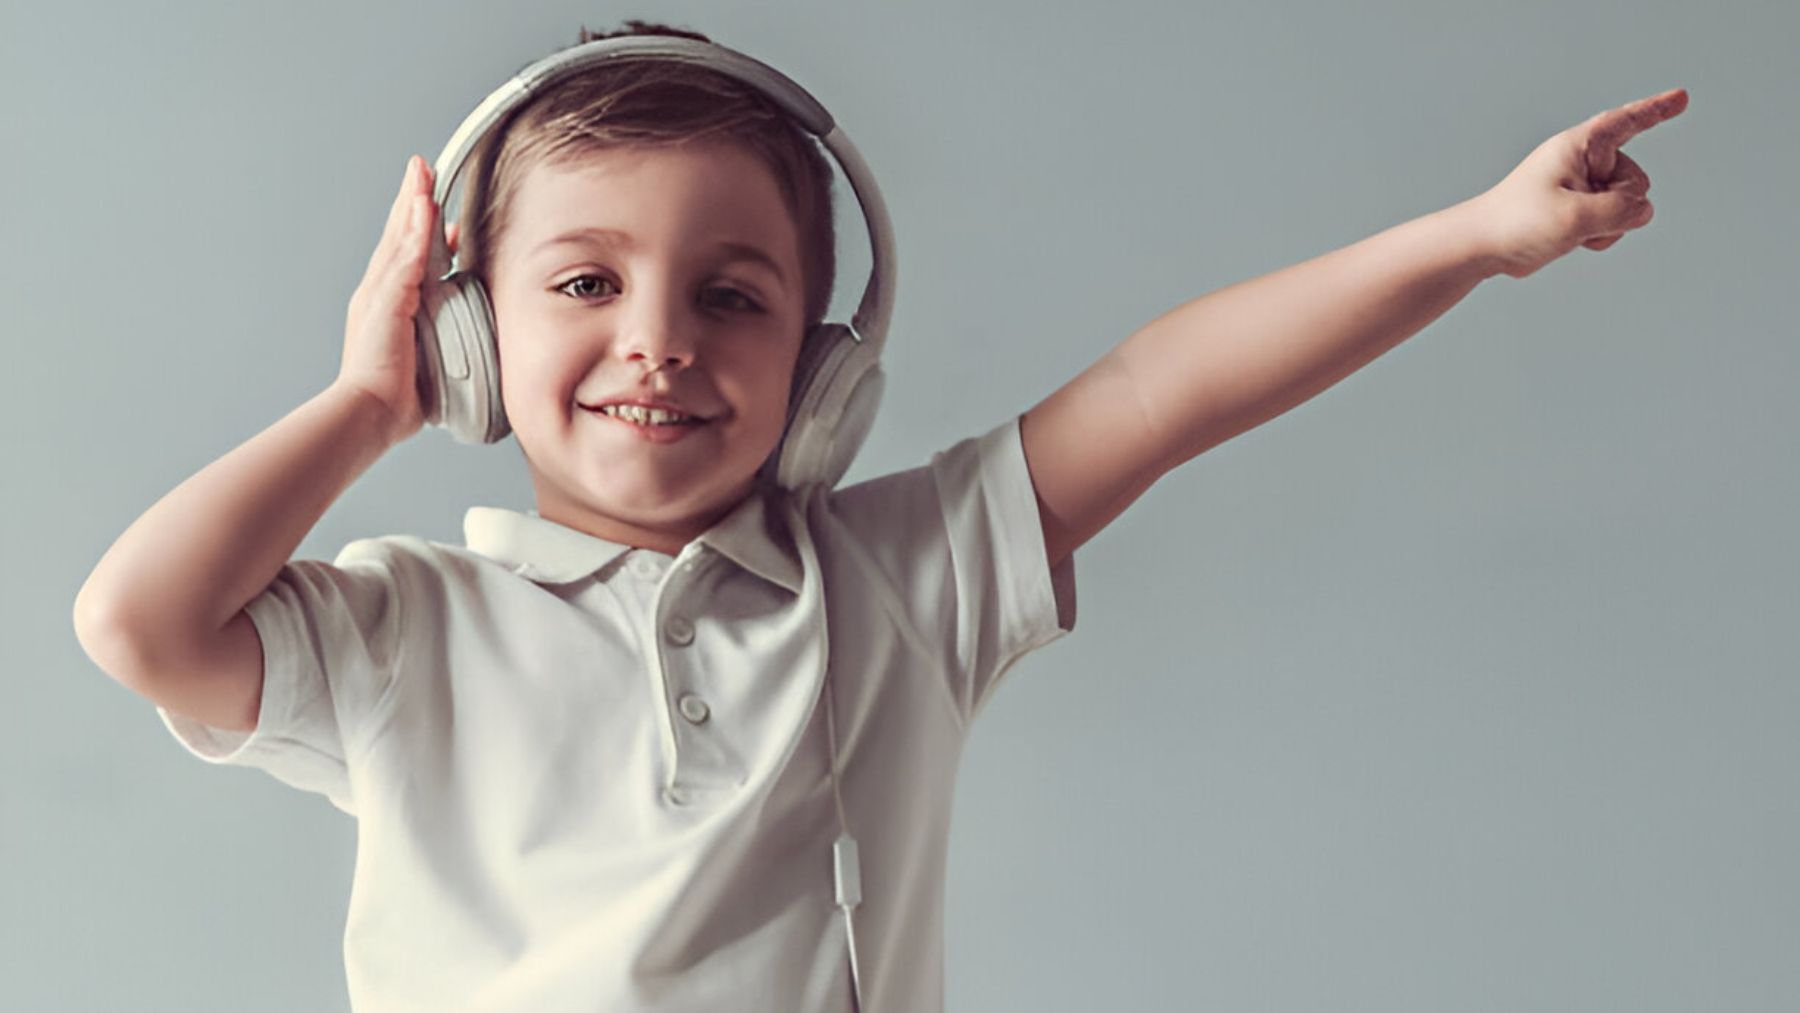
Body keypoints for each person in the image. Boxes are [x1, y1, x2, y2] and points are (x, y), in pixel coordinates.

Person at [69, 17, 1688, 1013]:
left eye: (732, 292)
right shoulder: (398, 626)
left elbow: (1160, 388)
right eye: (582, 283)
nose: (660, 337)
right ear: (472, 337)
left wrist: (1478, 235)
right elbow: (136, 623)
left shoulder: (902, 581)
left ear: (825, 370)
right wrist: (369, 402)